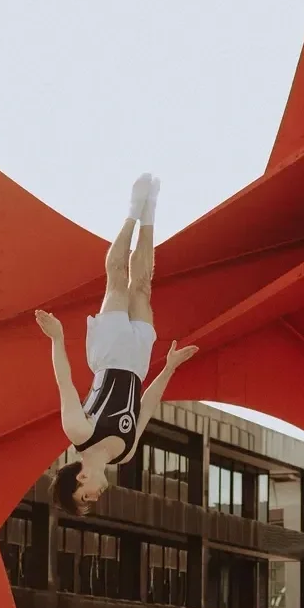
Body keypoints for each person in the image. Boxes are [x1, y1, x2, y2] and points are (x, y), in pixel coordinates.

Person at [35, 173, 199, 515]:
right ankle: (149, 212)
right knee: (142, 286)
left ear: (80, 478)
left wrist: (57, 338)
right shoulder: (125, 452)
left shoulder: (78, 431)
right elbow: (146, 406)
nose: (95, 499)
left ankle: (132, 211)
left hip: (109, 353)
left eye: (85, 499)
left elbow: (64, 383)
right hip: (138, 362)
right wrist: (169, 367)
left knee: (117, 278)